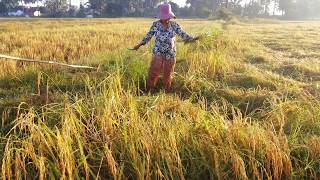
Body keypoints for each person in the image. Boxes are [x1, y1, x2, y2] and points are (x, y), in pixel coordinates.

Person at [132, 2, 195, 92]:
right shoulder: (155, 25)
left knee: (168, 73)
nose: (165, 19)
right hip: (158, 52)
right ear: (160, 16)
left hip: (170, 53)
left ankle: (166, 90)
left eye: (167, 17)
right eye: (164, 17)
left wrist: (192, 39)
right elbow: (148, 36)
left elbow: (182, 34)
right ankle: (149, 90)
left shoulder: (174, 25)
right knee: (153, 72)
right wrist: (139, 44)